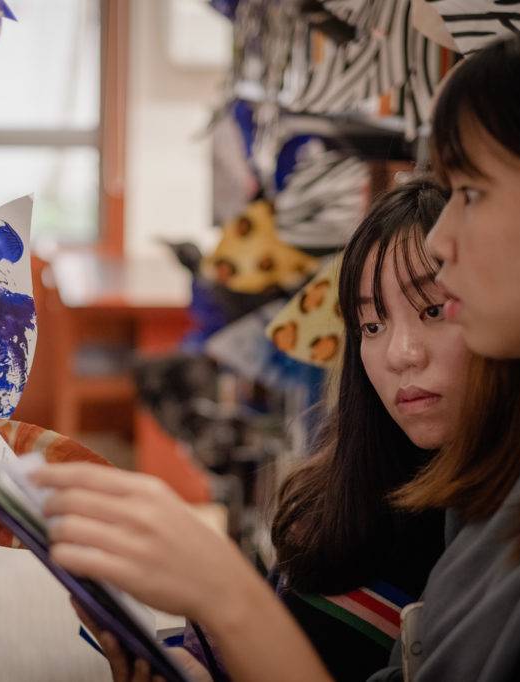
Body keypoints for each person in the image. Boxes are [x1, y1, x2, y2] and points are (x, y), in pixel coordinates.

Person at [34, 5, 520, 680]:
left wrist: (230, 599)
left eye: (473, 194)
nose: (444, 242)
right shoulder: (516, 482)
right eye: (371, 323)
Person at [72, 177, 465, 682]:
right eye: (372, 325)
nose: (400, 353)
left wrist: (224, 592)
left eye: (433, 310)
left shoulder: (496, 536)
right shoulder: (336, 493)